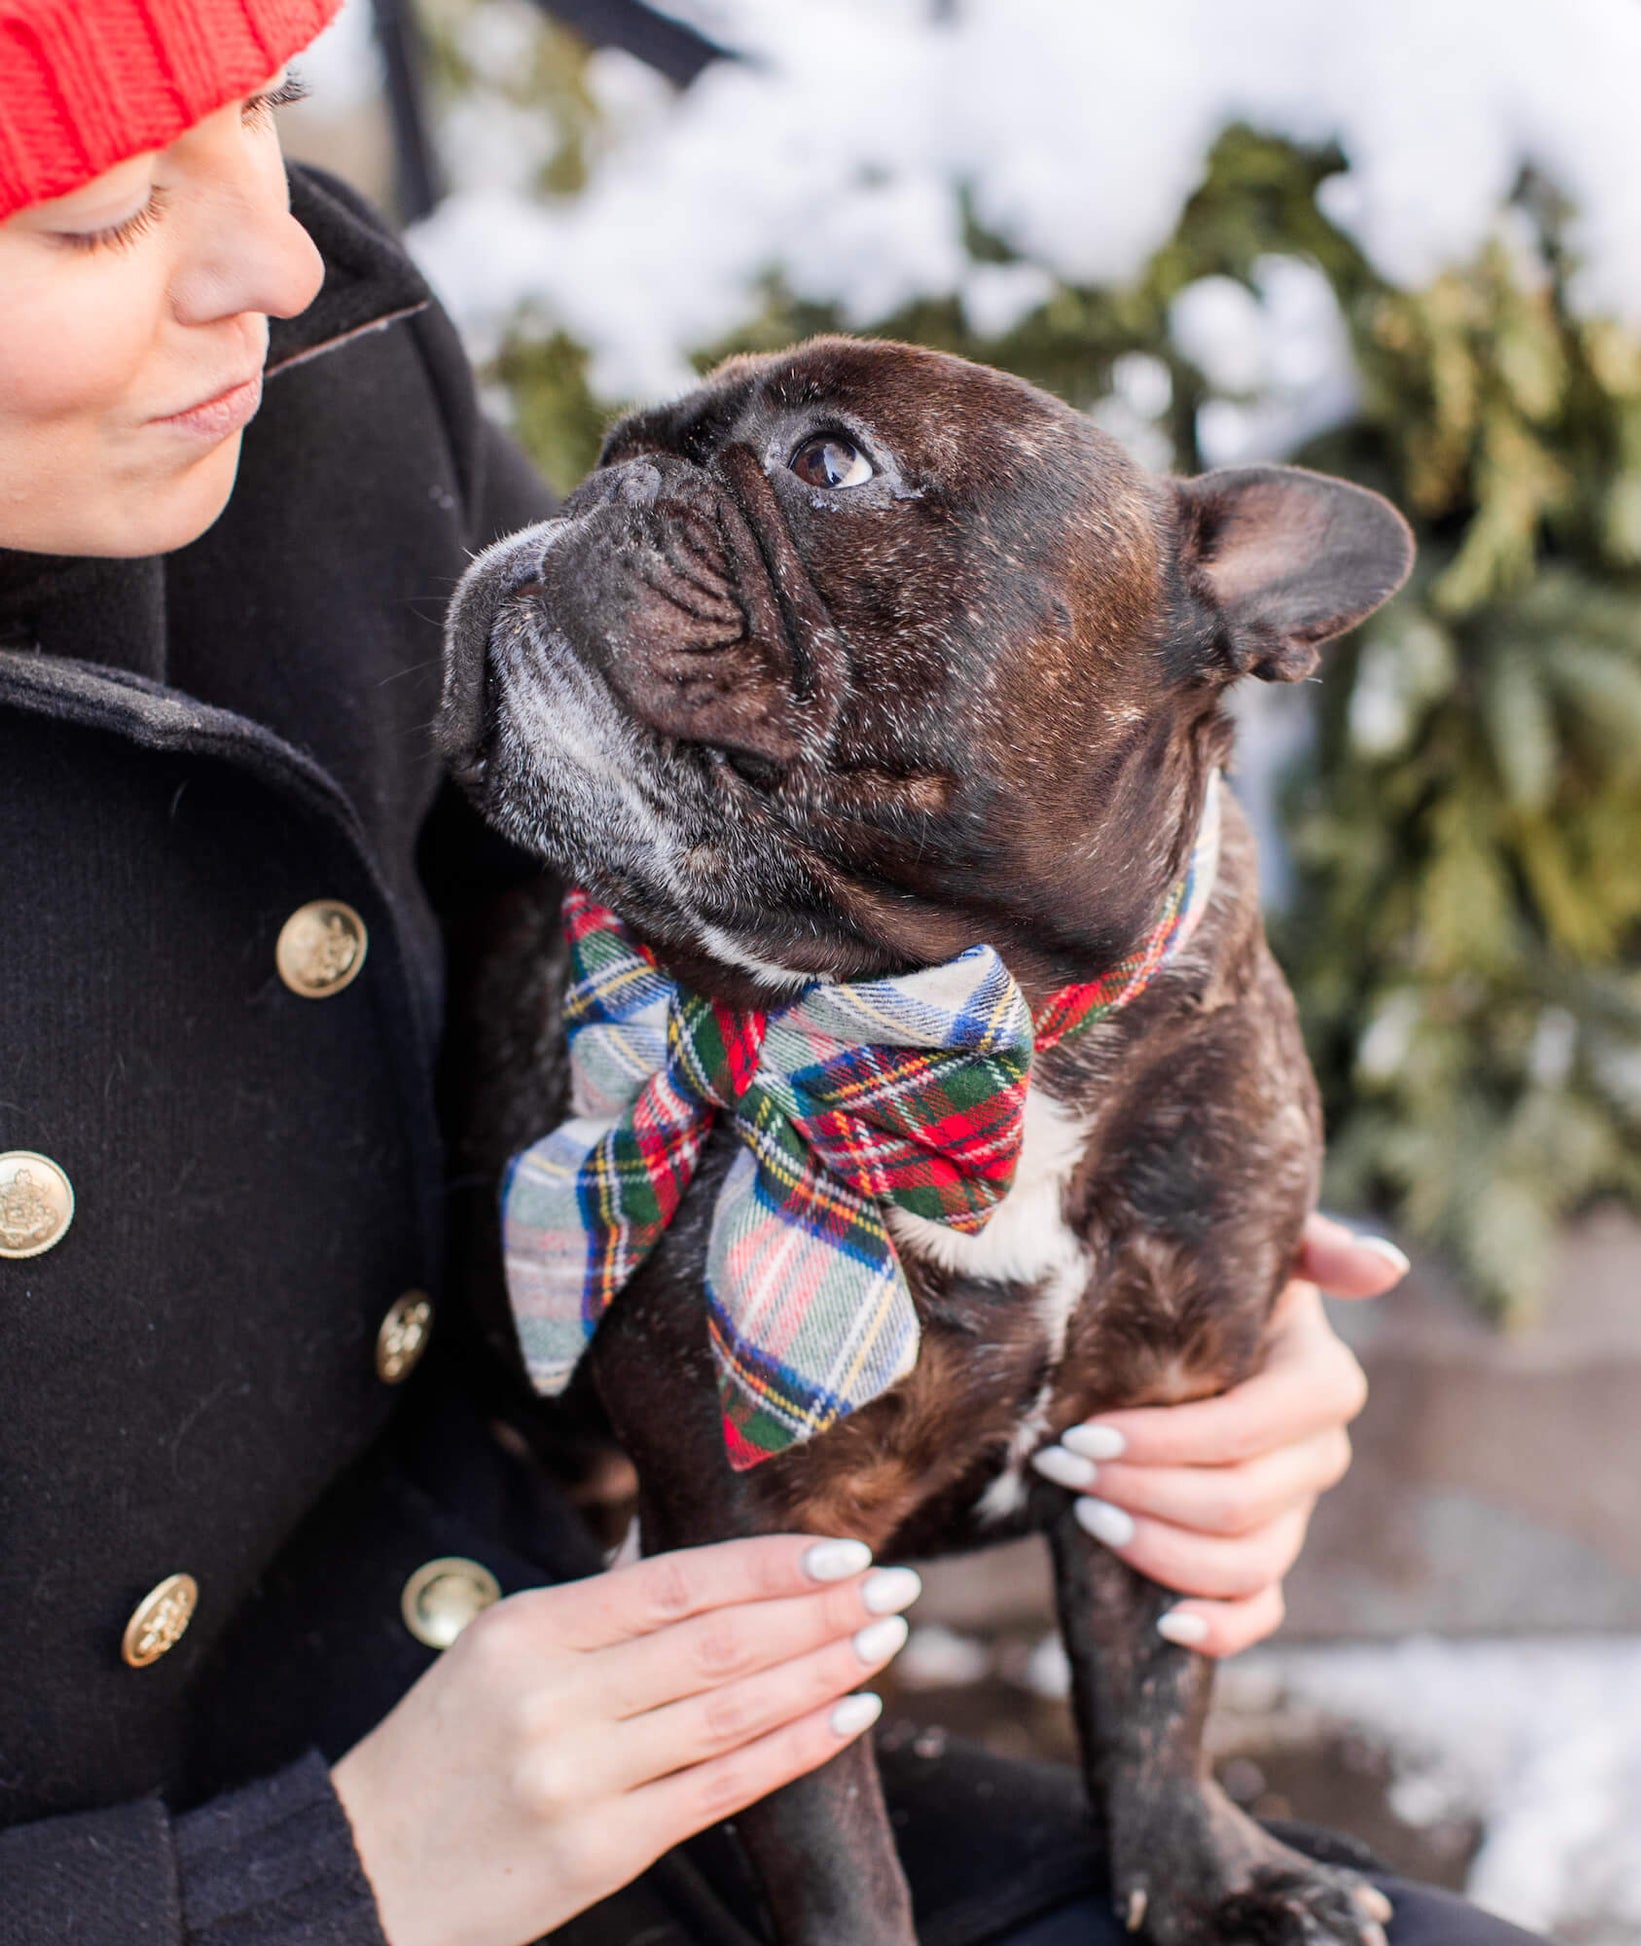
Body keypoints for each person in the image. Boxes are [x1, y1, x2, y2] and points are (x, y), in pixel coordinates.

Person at [0, 4, 1549, 1942]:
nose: (279, 256)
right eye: (97, 210)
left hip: (580, 1664)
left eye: (266, 108)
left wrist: (1150, 1290)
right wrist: (321, 1880)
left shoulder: (307, 390)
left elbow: (671, 801)